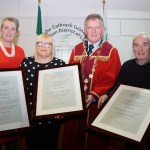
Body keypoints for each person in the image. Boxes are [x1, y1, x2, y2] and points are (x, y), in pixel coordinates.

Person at [61, 14, 121, 150]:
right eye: (90, 28)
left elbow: (112, 79)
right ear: (85, 30)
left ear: (103, 29)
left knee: (94, 142)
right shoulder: (76, 49)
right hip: (75, 106)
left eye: (97, 27)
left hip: (96, 105)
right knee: (73, 139)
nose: (93, 31)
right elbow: (69, 75)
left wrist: (93, 95)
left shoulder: (111, 51)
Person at [98, 32, 150, 150]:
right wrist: (106, 95)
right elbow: (117, 85)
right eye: (136, 45)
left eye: (144, 45)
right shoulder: (127, 66)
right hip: (130, 120)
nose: (140, 49)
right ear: (133, 48)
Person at [20, 33, 66, 150]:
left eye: (48, 44)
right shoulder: (26, 63)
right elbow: (21, 89)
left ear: (52, 47)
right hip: (30, 118)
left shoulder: (60, 64)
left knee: (50, 146)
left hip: (53, 118)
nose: (44, 46)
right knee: (32, 146)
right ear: (36, 46)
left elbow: (64, 91)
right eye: (40, 43)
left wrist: (61, 110)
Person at [0, 17, 25, 150]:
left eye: (13, 29)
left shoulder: (20, 51)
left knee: (12, 141)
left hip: (14, 104)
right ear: (1, 30)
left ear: (16, 32)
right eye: (6, 28)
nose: (9, 32)